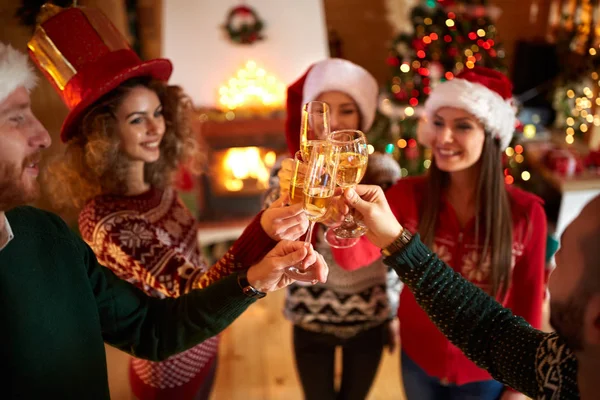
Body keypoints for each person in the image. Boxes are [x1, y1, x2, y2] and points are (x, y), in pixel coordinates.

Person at [0, 41, 329, 399]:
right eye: (137, 119)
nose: (155, 128)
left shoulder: (56, 226)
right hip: (173, 367)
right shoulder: (108, 221)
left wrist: (261, 252)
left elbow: (166, 312)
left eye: (158, 113)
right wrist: (262, 232)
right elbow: (190, 291)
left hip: (203, 335)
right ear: (104, 134)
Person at [345, 66, 545, 399]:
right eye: (438, 123)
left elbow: (528, 303)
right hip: (418, 360)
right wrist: (344, 218)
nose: (444, 138)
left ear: (493, 135)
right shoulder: (408, 196)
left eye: (463, 126)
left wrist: (521, 386)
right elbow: (354, 257)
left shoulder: (526, 214)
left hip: (486, 374)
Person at [342, 183, 587, 400]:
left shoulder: (526, 212)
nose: (556, 254)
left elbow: (523, 302)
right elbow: (490, 329)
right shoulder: (564, 369)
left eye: (570, 250)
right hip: (419, 358)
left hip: (481, 378)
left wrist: (514, 390)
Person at [265, 58, 402, 400]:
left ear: (362, 121)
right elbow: (269, 233)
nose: (334, 122)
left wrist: (396, 312)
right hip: (310, 313)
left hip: (369, 314)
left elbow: (397, 247)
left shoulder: (385, 173)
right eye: (324, 111)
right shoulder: (288, 171)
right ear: (308, 118)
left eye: (347, 111)